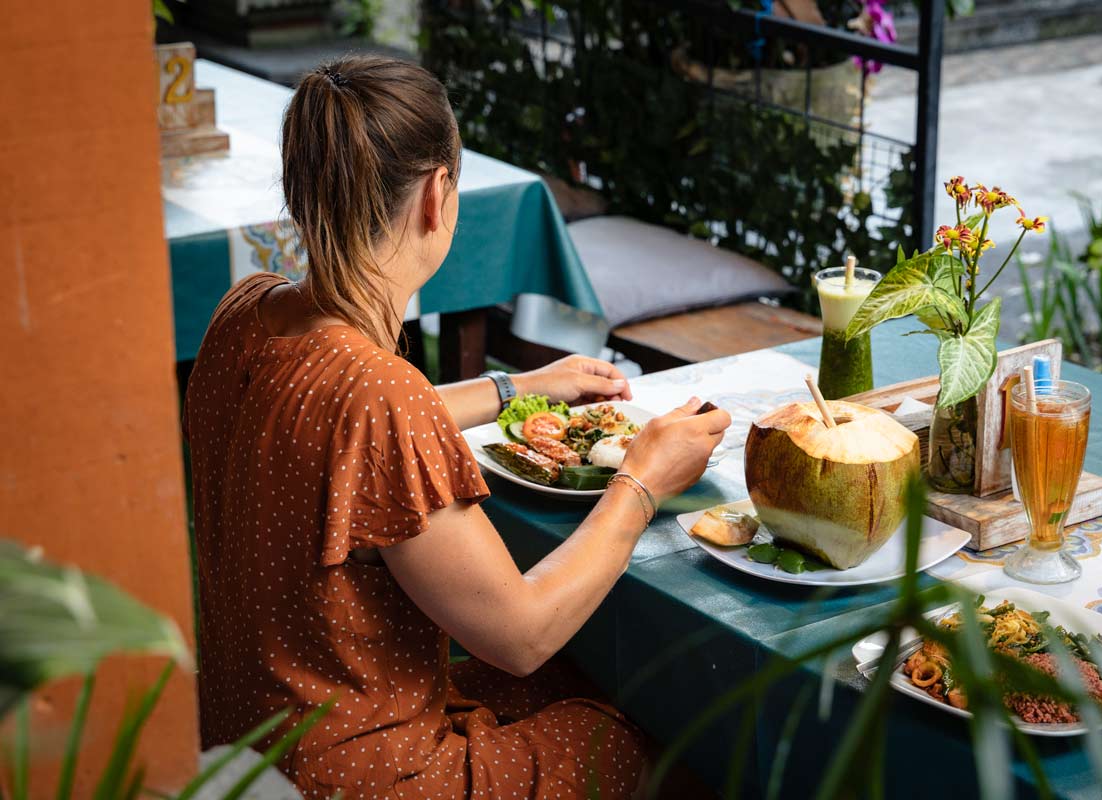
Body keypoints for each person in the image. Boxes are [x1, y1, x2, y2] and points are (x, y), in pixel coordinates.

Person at [184, 54, 730, 799]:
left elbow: (336, 428)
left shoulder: (244, 312)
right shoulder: (376, 395)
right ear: (437, 195)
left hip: (249, 743)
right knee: (648, 727)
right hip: (363, 776)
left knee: (590, 674)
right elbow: (521, 636)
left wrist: (517, 389)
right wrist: (641, 481)